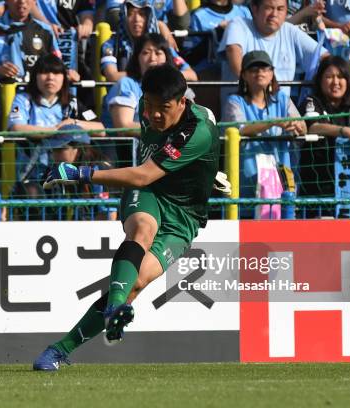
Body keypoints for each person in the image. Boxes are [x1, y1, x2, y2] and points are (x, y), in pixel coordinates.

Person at [32, 64, 220, 371]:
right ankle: (114, 308)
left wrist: (80, 173)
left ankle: (59, 349)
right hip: (150, 192)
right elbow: (146, 178)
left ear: (183, 103)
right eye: (149, 105)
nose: (155, 115)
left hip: (183, 215)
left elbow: (148, 171)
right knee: (142, 230)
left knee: (137, 282)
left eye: (164, 108)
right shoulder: (152, 112)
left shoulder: (196, 131)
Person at [221, 50, 306, 218]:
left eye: (265, 68)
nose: (260, 73)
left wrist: (298, 126)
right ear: (244, 75)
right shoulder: (234, 101)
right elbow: (241, 129)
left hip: (282, 179)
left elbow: (302, 125)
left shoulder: (282, 99)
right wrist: (274, 121)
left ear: (272, 73)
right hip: (246, 181)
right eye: (253, 69)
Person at [300, 55, 350, 218]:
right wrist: (346, 131)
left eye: (341, 77)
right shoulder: (312, 101)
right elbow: (313, 127)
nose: (335, 82)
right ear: (320, 80)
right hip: (318, 192)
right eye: (329, 77)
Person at [7, 54, 104, 187]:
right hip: (35, 173)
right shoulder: (23, 99)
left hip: (73, 169)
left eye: (56, 73)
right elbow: (16, 128)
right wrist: (57, 131)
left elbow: (101, 129)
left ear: (64, 77)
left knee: (97, 168)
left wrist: (74, 123)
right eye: (44, 72)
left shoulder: (72, 101)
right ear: (35, 76)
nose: (50, 77)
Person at [0, 0, 63, 131]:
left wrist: (69, 72)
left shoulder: (45, 31)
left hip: (36, 94)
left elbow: (57, 68)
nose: (22, 2)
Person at [218, 0, 327, 107]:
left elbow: (325, 58)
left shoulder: (290, 31)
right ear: (254, 9)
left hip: (281, 113)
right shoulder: (238, 25)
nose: (274, 14)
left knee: (300, 124)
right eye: (268, 8)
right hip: (243, 110)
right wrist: (257, 89)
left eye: (280, 9)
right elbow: (233, 52)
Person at [101, 33, 174, 165]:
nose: (152, 58)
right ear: (136, 58)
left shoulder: (174, 87)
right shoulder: (126, 84)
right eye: (145, 53)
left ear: (167, 57)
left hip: (160, 153)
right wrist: (165, 131)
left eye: (158, 53)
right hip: (125, 158)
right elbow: (124, 126)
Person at [100, 0, 197, 82]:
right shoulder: (112, 44)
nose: (136, 19)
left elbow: (191, 75)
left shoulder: (159, 44)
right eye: (130, 14)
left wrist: (163, 75)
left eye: (141, 14)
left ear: (149, 18)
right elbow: (112, 76)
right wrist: (148, 74)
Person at [45, 125, 117, 220]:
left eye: (60, 149)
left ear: (79, 149)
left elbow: (109, 215)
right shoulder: (56, 172)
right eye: (53, 149)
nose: (55, 154)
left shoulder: (99, 169)